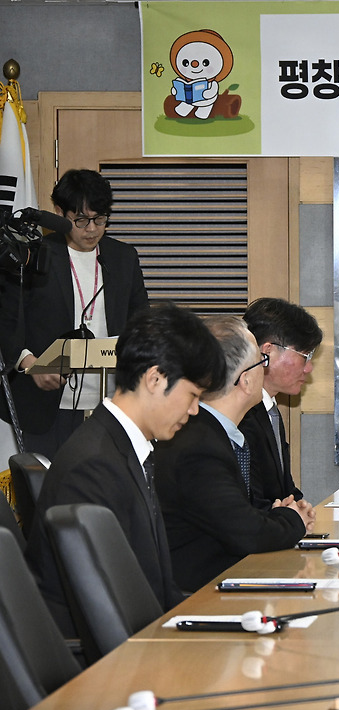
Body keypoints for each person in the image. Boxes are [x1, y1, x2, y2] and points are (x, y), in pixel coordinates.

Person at [22, 303, 223, 636]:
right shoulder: (94, 467)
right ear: (155, 379)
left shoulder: (122, 448)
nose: (194, 410)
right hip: (107, 658)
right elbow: (107, 611)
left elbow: (155, 588)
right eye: (192, 395)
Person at [155, 315, 315, 592]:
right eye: (261, 361)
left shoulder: (211, 431)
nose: (265, 368)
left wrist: (277, 516)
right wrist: (293, 520)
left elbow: (235, 516)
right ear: (245, 380)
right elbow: (247, 535)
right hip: (200, 595)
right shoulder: (199, 446)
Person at [0, 169, 150, 457]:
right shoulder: (33, 255)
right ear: (60, 213)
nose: (91, 229)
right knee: (46, 483)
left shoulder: (123, 257)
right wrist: (29, 363)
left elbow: (141, 321)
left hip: (112, 402)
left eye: (100, 219)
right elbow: (8, 321)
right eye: (81, 220)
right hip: (47, 405)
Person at [241, 298, 323, 509]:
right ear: (268, 351)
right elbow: (250, 502)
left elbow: (285, 491)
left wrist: (300, 508)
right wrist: (291, 516)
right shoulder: (242, 415)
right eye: (305, 356)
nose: (309, 368)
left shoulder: (270, 411)